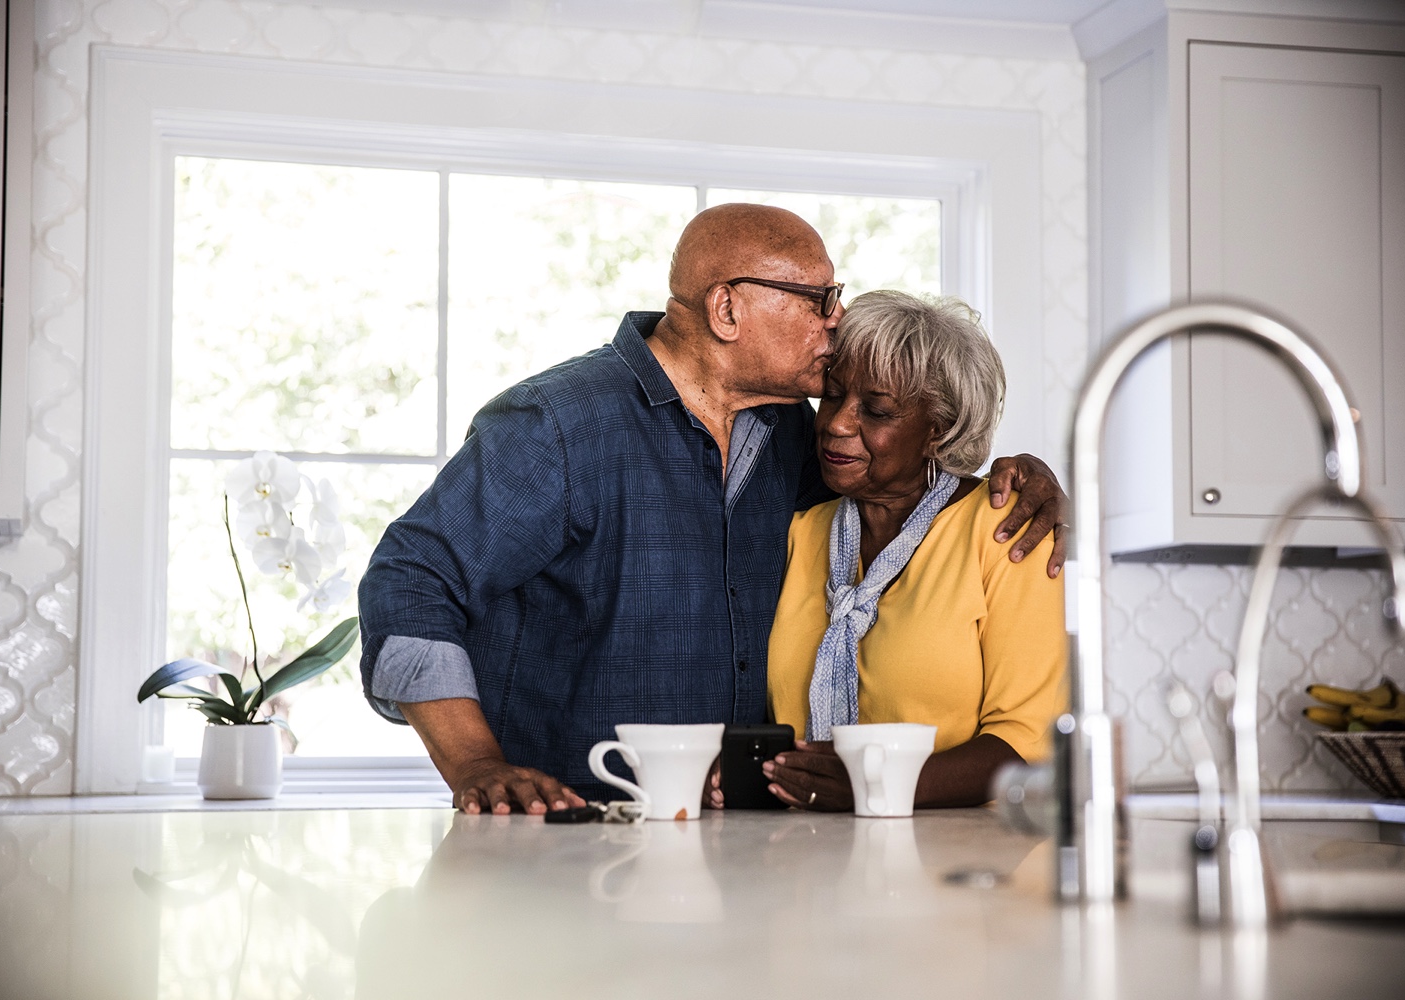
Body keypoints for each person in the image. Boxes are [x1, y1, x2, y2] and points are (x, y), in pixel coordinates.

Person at [358, 204, 1067, 813]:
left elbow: (911, 489)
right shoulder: (560, 423)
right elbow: (411, 582)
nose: (837, 317)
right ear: (727, 308)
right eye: (818, 297)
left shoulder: (793, 437)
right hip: (567, 838)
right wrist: (475, 764)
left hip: (745, 853)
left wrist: (1026, 476)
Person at [763, 290, 1066, 811]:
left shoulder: (1008, 526)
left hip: (959, 861)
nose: (836, 423)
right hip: (801, 849)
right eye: (832, 396)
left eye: (876, 411)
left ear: (939, 430)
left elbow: (1028, 740)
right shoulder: (803, 531)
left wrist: (875, 783)